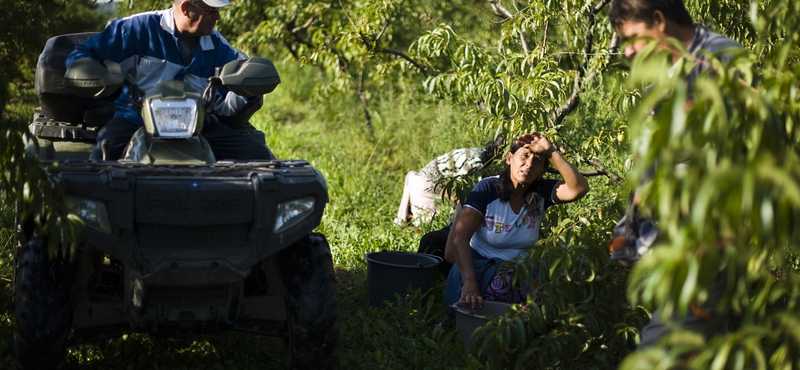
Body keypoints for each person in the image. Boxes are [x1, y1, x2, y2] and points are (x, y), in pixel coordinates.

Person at [607, 0, 743, 350]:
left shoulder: (720, 58)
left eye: (634, 37)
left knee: (659, 351)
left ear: (658, 20)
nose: (631, 49)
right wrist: (631, 223)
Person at [66, 0, 275, 161]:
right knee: (102, 158)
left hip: (198, 124)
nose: (217, 17)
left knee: (258, 156)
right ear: (186, 8)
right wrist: (89, 72)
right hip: (135, 120)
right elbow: (84, 52)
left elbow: (226, 99)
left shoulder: (217, 45)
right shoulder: (137, 29)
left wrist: (249, 89)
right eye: (211, 10)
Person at [443, 132, 589, 317]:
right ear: (509, 158)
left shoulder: (540, 193)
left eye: (537, 161)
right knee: (509, 289)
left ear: (542, 171)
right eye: (524, 156)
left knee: (557, 299)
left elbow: (579, 188)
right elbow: (460, 238)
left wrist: (550, 151)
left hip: (522, 272)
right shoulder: (487, 189)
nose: (528, 164)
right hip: (479, 271)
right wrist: (470, 284)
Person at [395, 135, 505, 227]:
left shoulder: (478, 152)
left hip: (426, 182)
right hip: (427, 186)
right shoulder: (475, 162)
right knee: (434, 223)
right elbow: (459, 192)